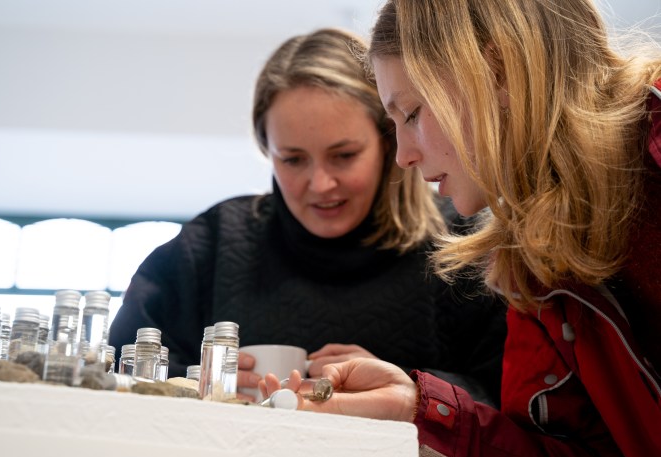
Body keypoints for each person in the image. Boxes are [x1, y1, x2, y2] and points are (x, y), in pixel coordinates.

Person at [260, 1, 661, 457]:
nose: (403, 157)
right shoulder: (530, 262)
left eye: (411, 114)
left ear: (500, 71)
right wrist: (418, 412)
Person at [108, 28, 507, 403]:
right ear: (268, 151)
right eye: (293, 159)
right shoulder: (212, 245)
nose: (320, 184)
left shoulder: (465, 244)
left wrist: (409, 387)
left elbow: (517, 409)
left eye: (344, 156)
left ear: (389, 143)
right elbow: (116, 371)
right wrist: (201, 385)